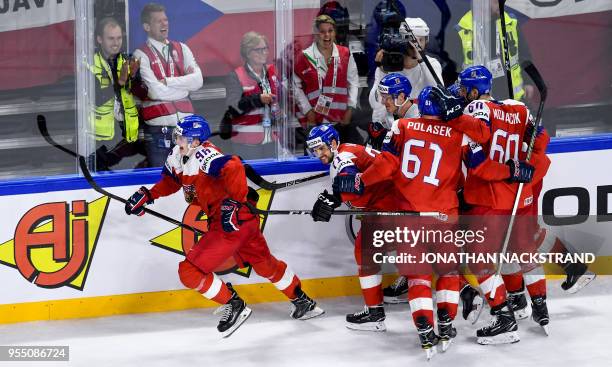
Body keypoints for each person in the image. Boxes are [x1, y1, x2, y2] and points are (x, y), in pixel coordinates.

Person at [124, 115, 324, 338]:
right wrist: (150, 194)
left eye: (181, 137)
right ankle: (303, 301)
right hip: (241, 221)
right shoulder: (178, 155)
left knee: (189, 271)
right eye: (177, 136)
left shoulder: (204, 154)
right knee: (265, 265)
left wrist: (235, 203)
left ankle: (234, 304)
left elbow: (234, 165)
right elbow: (172, 181)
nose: (176, 140)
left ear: (196, 141)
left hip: (230, 221)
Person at [332, 87, 490, 357]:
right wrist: (460, 120)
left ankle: (424, 329)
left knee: (417, 277)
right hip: (444, 216)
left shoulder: (401, 126)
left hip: (409, 217)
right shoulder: (456, 132)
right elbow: (480, 152)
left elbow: (386, 166)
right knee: (449, 274)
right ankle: (446, 323)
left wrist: (359, 180)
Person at [456, 65, 545, 344]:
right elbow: (540, 138)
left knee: (479, 258)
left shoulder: (473, 112)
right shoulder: (517, 108)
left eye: (462, 89)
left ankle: (504, 319)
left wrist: (508, 169)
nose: (460, 93)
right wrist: (522, 165)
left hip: (487, 199)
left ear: (473, 90)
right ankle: (539, 306)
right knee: (523, 250)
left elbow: (478, 166)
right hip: (514, 198)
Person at [307, 123, 411, 332]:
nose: (319, 154)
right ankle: (415, 288)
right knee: (413, 250)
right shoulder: (348, 150)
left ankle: (374, 313)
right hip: (399, 201)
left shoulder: (342, 157)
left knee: (365, 253)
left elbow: (351, 184)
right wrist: (334, 196)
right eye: (315, 150)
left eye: (321, 148)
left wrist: (334, 198)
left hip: (388, 206)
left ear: (334, 143)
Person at [133, 2, 203, 167]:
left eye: (165, 20)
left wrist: (169, 82)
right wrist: (184, 88)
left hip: (187, 128)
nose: (164, 24)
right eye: (158, 21)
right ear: (147, 26)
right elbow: (155, 92)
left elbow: (198, 81)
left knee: (192, 178)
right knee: (163, 181)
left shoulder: (182, 48)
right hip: (160, 132)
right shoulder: (140, 54)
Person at [293, 14, 361, 144]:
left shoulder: (345, 53)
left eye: (330, 31)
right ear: (315, 34)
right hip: (316, 121)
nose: (327, 35)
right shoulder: (304, 57)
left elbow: (353, 82)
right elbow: (295, 87)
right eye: (322, 32)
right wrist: (307, 111)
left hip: (340, 120)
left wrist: (350, 109)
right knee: (318, 160)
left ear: (335, 32)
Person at [91, 17, 147, 171]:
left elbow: (144, 94)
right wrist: (120, 82)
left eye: (119, 38)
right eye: (111, 38)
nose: (116, 43)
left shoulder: (129, 60)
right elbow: (96, 99)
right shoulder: (89, 63)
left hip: (127, 135)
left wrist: (135, 80)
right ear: (99, 39)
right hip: (99, 139)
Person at [454, 0, 535, 101]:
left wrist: (529, 81)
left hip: (513, 98)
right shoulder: (462, 29)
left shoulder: (509, 22)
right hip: (479, 102)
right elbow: (455, 69)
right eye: (496, 1)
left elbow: (523, 54)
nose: (501, 3)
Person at [369, 17, 443, 127]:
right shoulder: (389, 64)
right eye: (412, 41)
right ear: (402, 42)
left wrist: (421, 59)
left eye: (420, 40)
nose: (416, 46)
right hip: (392, 128)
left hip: (421, 127)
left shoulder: (431, 64)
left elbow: (440, 95)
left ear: (426, 41)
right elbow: (375, 103)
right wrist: (382, 71)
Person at [221, 31, 279, 159]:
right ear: (248, 53)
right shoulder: (235, 76)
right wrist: (258, 99)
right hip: (247, 143)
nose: (264, 52)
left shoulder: (273, 71)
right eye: (259, 50)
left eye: (265, 48)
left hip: (273, 139)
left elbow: (285, 97)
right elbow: (233, 107)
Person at [367, 72, 417, 149]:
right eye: (382, 97)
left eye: (387, 98)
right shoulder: (387, 114)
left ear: (401, 97)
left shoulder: (418, 118)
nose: (383, 102)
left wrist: (385, 137)